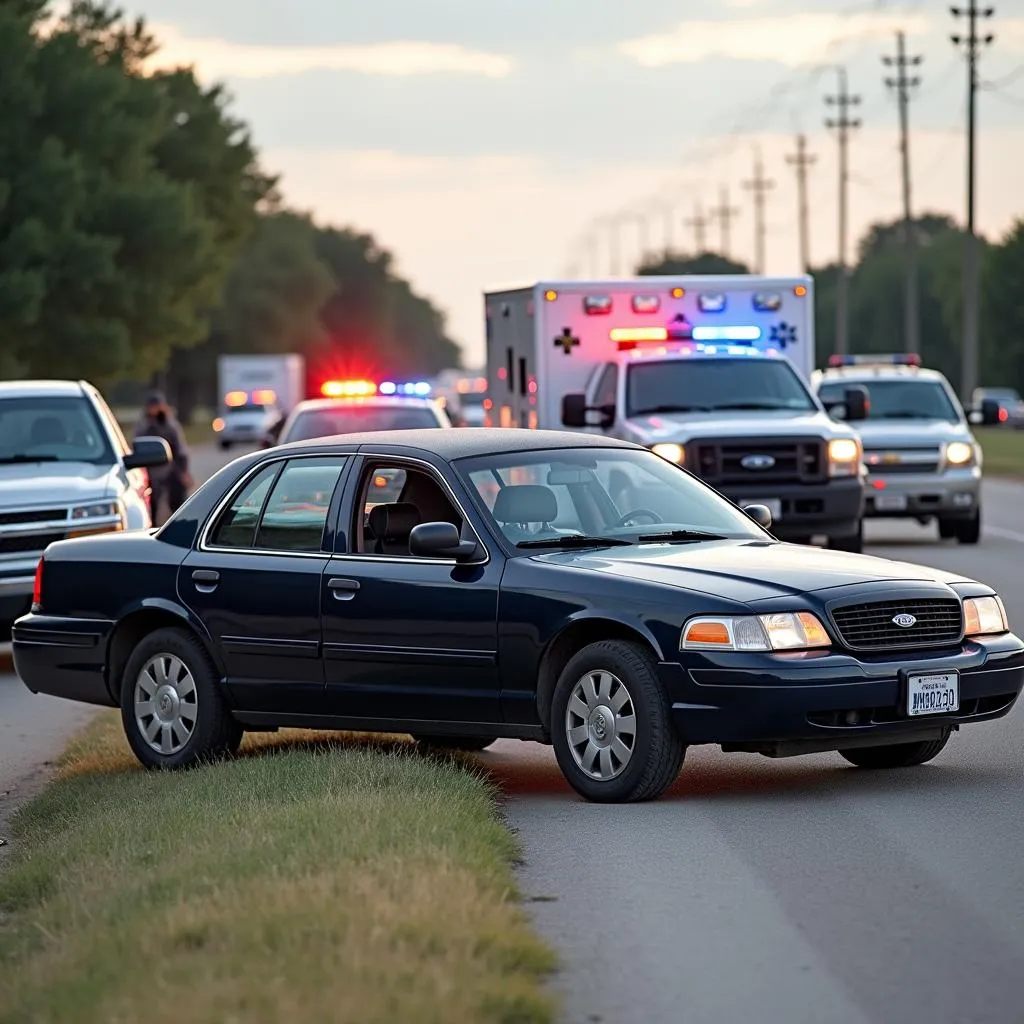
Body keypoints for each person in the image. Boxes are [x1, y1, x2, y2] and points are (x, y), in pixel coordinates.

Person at [135, 391, 192, 526]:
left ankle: (181, 526)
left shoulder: (171, 425)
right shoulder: (144, 425)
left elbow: (180, 449)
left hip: (172, 469)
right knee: (151, 505)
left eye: (158, 406)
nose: (155, 409)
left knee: (179, 502)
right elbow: (137, 445)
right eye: (153, 406)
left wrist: (183, 472)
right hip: (152, 470)